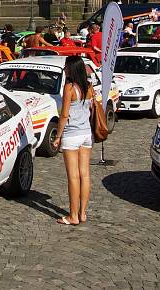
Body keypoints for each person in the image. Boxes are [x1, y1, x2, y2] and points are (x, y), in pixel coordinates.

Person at [52, 56, 94, 225]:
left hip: (71, 135)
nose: (64, 69)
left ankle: (73, 215)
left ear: (71, 69)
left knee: (73, 177)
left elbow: (64, 115)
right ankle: (83, 213)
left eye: (66, 67)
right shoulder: (89, 87)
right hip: (86, 134)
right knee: (85, 174)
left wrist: (58, 136)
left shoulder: (69, 87)